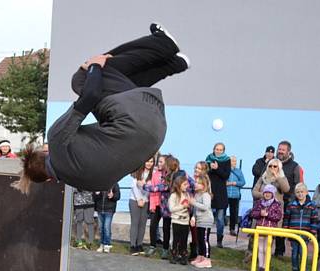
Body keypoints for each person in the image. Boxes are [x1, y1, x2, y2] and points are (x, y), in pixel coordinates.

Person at [15, 25, 189, 195]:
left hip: (156, 129)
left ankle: (176, 64)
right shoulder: (56, 139)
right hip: (134, 117)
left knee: (116, 90)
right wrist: (95, 66)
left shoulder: (87, 184)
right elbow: (89, 96)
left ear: (48, 179)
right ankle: (163, 44)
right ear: (45, 152)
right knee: (82, 78)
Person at [275, 141, 304, 257]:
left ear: (288, 152)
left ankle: (279, 251)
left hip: (287, 201)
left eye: (283, 149)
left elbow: (299, 185)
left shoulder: (295, 167)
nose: (280, 151)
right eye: (279, 149)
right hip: (273, 200)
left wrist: (292, 201)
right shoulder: (273, 163)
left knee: (283, 227)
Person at [283, 183, 318, 271]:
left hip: (305, 234)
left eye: (302, 192)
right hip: (294, 234)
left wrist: (312, 233)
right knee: (294, 254)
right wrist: (286, 231)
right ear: (295, 193)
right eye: (298, 192)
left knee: (303, 254)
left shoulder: (311, 206)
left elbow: (314, 220)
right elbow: (286, 219)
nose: (300, 194)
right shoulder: (291, 205)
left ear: (306, 193)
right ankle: (294, 270)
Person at [249, 184, 283, 271]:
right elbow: (253, 213)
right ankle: (260, 267)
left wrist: (268, 215)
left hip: (270, 229)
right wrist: (260, 213)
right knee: (260, 248)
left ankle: (265, 267)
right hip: (260, 228)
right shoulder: (259, 203)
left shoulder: (276, 204)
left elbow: (278, 216)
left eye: (269, 193)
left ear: (272, 194)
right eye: (265, 193)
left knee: (266, 249)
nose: (267, 194)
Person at [205, 143, 231, 247]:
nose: (218, 151)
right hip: (210, 191)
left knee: (220, 219)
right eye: (217, 149)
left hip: (221, 193)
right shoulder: (208, 158)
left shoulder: (226, 160)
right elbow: (205, 173)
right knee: (208, 217)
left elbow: (226, 175)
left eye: (220, 149)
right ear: (213, 149)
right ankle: (205, 239)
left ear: (223, 150)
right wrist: (210, 168)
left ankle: (219, 240)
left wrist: (217, 168)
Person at [144, 154, 170, 257]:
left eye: (161, 162)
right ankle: (152, 246)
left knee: (166, 227)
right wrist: (152, 205)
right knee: (153, 226)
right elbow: (153, 191)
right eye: (158, 162)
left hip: (167, 206)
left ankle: (165, 249)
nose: (158, 164)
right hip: (157, 204)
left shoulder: (169, 175)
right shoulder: (154, 174)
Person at [129, 157, 153, 255]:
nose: (149, 163)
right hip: (134, 200)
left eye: (151, 162)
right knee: (135, 223)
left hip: (146, 201)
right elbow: (134, 187)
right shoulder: (138, 172)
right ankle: (133, 246)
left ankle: (140, 244)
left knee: (142, 224)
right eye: (148, 161)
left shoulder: (152, 175)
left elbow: (149, 189)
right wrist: (139, 199)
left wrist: (144, 199)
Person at [190, 172, 213, 268]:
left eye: (198, 183)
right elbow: (195, 209)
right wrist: (193, 217)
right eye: (195, 182)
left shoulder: (206, 195)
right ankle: (200, 256)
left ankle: (207, 259)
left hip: (206, 220)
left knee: (204, 240)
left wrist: (193, 203)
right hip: (199, 221)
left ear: (204, 185)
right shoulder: (196, 195)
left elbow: (205, 207)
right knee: (199, 240)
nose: (195, 184)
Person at [168, 174, 192, 264]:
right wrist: (182, 206)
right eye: (185, 184)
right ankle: (174, 254)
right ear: (179, 185)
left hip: (185, 221)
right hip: (176, 220)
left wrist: (190, 206)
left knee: (184, 239)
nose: (187, 186)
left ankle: (183, 254)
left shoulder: (187, 195)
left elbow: (190, 207)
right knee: (176, 239)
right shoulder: (174, 195)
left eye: (187, 184)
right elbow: (171, 208)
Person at [93, 182, 120, 253]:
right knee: (101, 228)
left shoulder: (114, 184)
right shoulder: (98, 184)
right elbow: (94, 198)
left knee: (106, 227)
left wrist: (113, 195)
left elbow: (118, 196)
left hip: (109, 210)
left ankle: (107, 244)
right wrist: (97, 194)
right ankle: (102, 244)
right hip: (99, 209)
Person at [226, 156, 245, 236]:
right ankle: (221, 226)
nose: (233, 162)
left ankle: (232, 229)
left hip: (235, 195)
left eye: (234, 161)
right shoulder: (225, 170)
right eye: (231, 161)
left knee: (233, 213)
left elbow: (243, 182)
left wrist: (234, 183)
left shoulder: (239, 172)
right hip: (225, 194)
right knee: (222, 211)